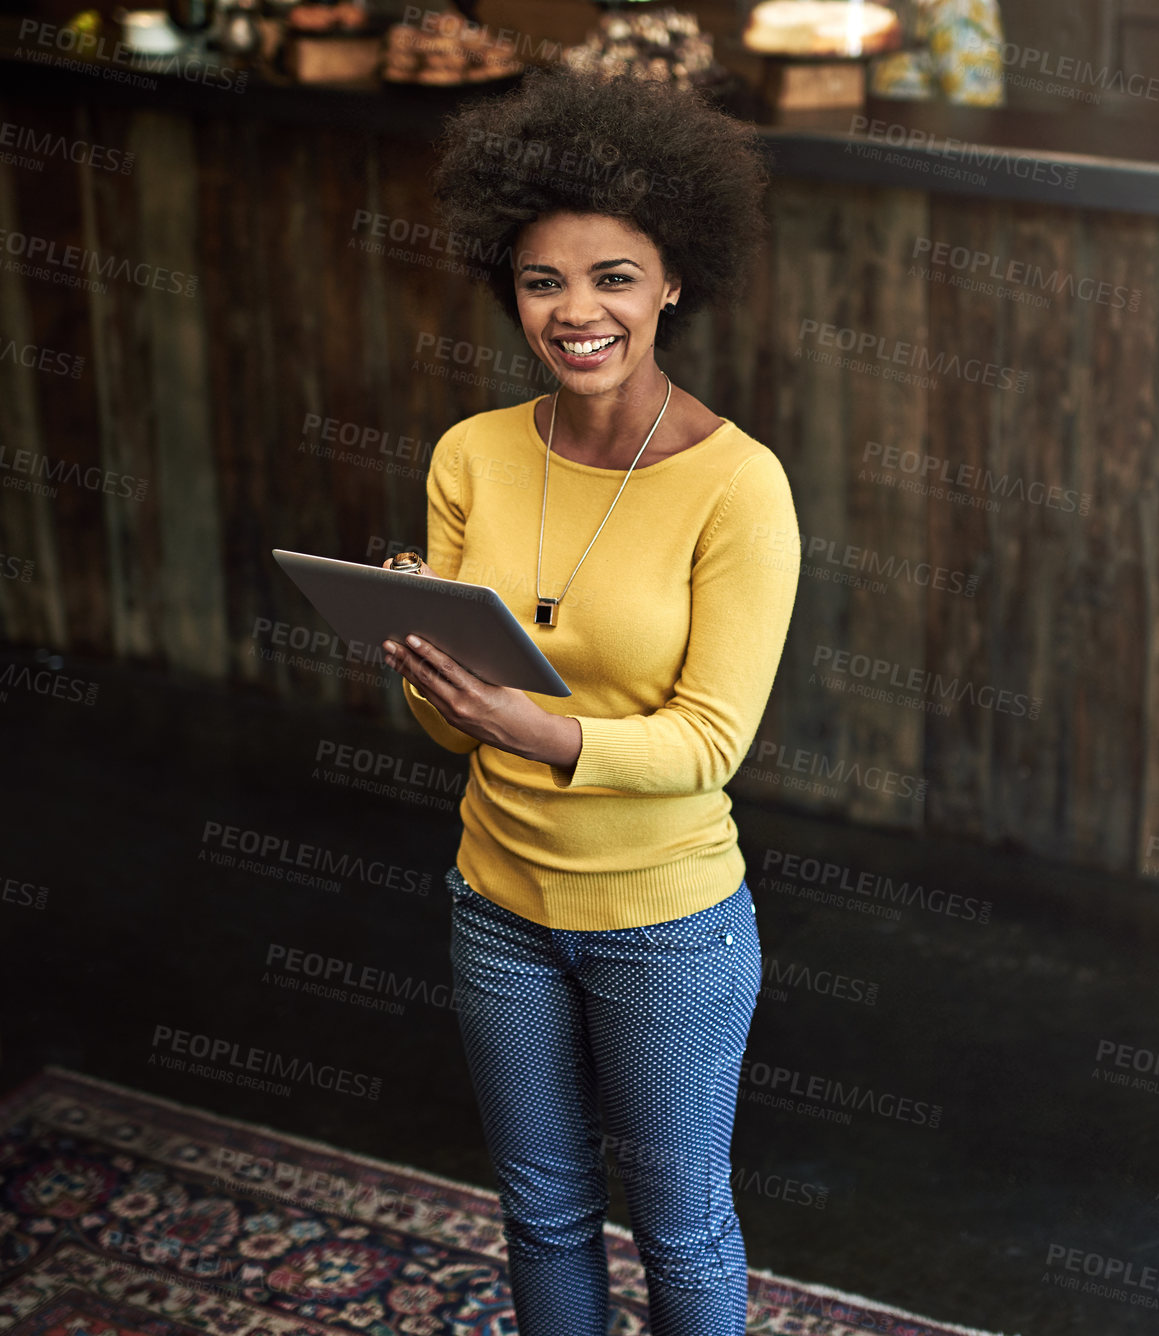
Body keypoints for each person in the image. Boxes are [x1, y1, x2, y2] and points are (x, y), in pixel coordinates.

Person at [379, 66, 799, 1336]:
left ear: (671, 280)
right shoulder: (471, 452)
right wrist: (432, 675)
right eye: (541, 280)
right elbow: (441, 729)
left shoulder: (739, 486)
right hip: (496, 901)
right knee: (542, 1213)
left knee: (681, 1230)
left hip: (666, 925)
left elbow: (709, 743)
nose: (577, 312)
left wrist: (536, 728)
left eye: (613, 275)